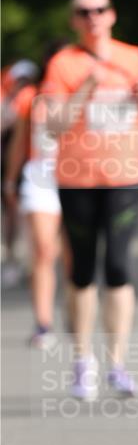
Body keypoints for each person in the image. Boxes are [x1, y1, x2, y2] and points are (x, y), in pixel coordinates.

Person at [42, 0, 138, 400]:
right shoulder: (63, 63)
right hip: (77, 177)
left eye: (100, 9)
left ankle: (118, 363)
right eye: (83, 11)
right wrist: (84, 88)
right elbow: (54, 125)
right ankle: (82, 361)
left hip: (126, 175)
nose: (93, 17)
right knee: (82, 270)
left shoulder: (133, 56)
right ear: (74, 20)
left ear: (112, 15)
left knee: (119, 267)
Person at [3, 42, 71, 347]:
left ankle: (75, 312)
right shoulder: (33, 99)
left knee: (72, 255)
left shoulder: (89, 97)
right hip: (40, 176)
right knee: (43, 250)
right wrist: (10, 179)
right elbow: (19, 140)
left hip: (78, 178)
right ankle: (43, 322)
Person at [1, 59, 39, 286]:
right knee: (12, 217)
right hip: (9, 166)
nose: (23, 84)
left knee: (30, 218)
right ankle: (14, 259)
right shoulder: (7, 101)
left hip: (30, 166)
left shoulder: (35, 98)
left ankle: (31, 263)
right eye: (19, 80)